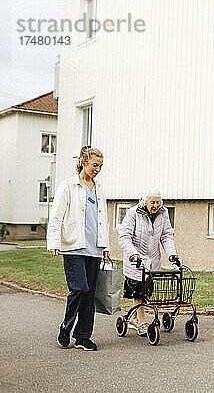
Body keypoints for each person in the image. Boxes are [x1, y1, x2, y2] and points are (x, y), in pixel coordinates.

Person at [47, 146, 110, 351]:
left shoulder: (99, 189)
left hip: (94, 249)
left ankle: (83, 336)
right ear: (84, 162)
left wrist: (105, 246)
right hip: (73, 247)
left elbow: (103, 220)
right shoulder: (68, 186)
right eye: (94, 165)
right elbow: (56, 217)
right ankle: (65, 328)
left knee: (90, 293)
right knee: (79, 288)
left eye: (100, 166)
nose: (97, 169)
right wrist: (53, 242)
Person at [118, 188, 178, 336]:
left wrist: (172, 254)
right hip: (136, 260)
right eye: (152, 202)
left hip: (153, 261)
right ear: (144, 201)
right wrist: (133, 254)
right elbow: (124, 236)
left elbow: (166, 236)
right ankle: (142, 322)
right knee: (138, 293)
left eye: (158, 202)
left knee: (146, 294)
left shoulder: (163, 214)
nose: (155, 205)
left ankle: (133, 318)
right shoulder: (133, 213)